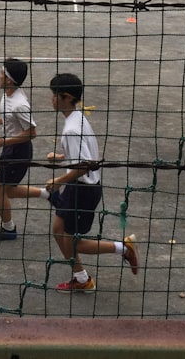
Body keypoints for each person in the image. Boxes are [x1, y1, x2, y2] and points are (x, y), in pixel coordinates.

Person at [32, 73, 138, 293]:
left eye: (54, 95)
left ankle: (123, 248)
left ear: (67, 97)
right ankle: (81, 278)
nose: (51, 99)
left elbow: (84, 165)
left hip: (84, 190)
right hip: (77, 187)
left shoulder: (72, 128)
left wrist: (58, 180)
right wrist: (63, 157)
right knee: (58, 229)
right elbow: (84, 154)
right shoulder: (76, 118)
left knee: (73, 242)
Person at [0, 58, 41, 241]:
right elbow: (10, 116)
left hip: (18, 151)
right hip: (11, 149)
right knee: (8, 190)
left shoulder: (19, 103)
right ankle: (48, 194)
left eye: (1, 73)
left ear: (8, 79)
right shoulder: (8, 93)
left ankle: (9, 229)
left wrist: (4, 142)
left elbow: (31, 132)